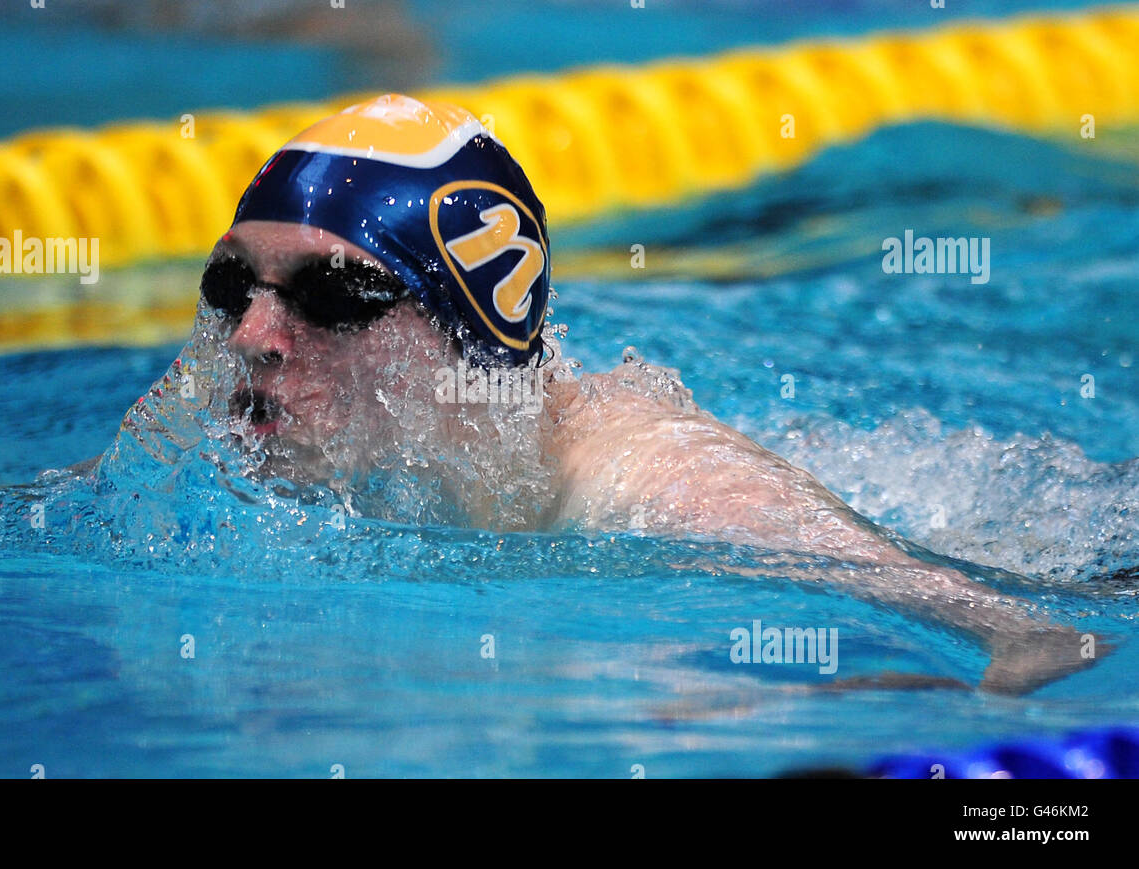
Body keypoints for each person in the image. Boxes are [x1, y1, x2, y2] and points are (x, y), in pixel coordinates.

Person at [195, 93, 1100, 695]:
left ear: (474, 332)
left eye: (333, 296)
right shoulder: (238, 436)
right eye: (236, 288)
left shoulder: (651, 485)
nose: (253, 338)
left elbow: (1047, 637)